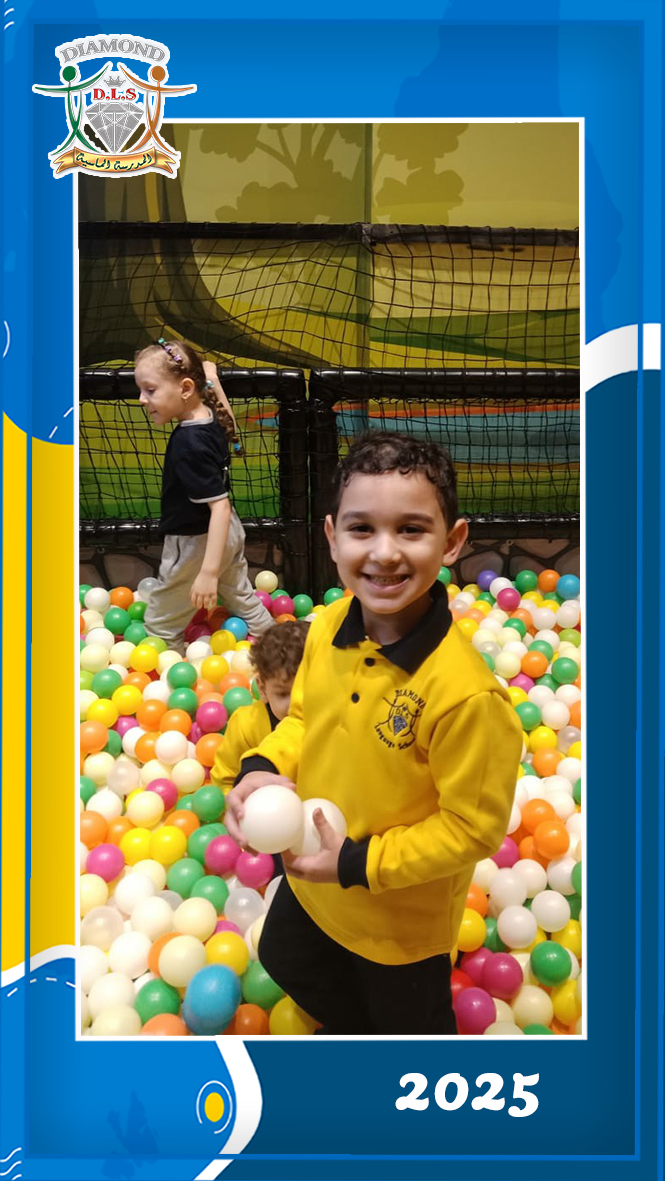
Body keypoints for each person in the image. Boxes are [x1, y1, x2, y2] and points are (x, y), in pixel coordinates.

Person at [225, 431, 523, 1035]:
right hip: (314, 885)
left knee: (407, 1032)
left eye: (411, 529)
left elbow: (472, 829)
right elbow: (303, 719)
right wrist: (262, 766)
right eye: (362, 528)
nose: (384, 553)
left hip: (398, 925)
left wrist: (358, 863)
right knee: (283, 956)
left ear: (452, 542)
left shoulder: (465, 697)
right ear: (332, 536)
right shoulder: (328, 624)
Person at [134, 338, 273, 652]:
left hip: (196, 544)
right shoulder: (210, 414)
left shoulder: (189, 444)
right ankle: (276, 642)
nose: (142, 399)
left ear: (185, 388)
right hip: (228, 535)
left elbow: (219, 507)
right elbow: (230, 421)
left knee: (160, 623)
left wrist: (208, 573)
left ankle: (166, 670)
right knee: (242, 597)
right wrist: (212, 380)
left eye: (150, 390)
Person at [211, 620, 310, 794]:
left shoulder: (328, 717)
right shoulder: (245, 724)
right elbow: (226, 779)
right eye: (283, 694)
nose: (294, 702)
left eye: (305, 692)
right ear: (263, 689)